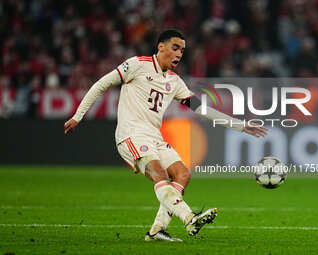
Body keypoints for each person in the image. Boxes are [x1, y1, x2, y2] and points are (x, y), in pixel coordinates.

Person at [64, 29, 267, 242]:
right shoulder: (137, 65)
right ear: (161, 47)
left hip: (154, 137)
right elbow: (101, 84)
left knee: (182, 174)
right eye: (175, 48)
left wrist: (240, 126)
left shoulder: (175, 81)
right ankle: (189, 218)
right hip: (131, 135)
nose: (179, 54)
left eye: (182, 50)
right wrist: (78, 116)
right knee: (159, 175)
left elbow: (201, 109)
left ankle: (156, 231)